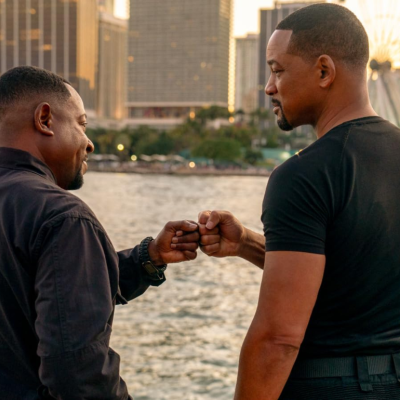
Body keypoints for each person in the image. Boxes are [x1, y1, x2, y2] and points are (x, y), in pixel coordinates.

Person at [186, 3, 400, 399]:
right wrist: (247, 243)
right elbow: (350, 269)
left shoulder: (304, 175)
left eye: (277, 69)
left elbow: (278, 338)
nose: (269, 86)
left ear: (324, 71)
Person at [0, 66, 201, 399]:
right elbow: (78, 373)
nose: (89, 143)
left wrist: (147, 259)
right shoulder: (63, 217)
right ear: (45, 120)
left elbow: (25, 286)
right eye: (81, 124)